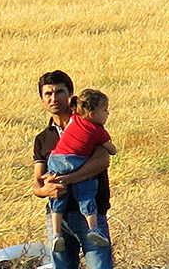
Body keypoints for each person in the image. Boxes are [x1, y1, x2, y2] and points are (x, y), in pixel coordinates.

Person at [32, 71, 131, 269]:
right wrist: (46, 190)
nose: (54, 98)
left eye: (59, 92)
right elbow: (37, 184)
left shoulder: (87, 124)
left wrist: (65, 179)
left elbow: (101, 162)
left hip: (91, 217)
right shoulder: (43, 139)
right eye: (48, 93)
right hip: (59, 218)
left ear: (71, 95)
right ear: (42, 99)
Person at [47, 89, 117, 252]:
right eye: (105, 110)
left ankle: (56, 234)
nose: (107, 113)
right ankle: (93, 228)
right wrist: (108, 145)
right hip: (75, 162)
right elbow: (112, 150)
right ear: (92, 114)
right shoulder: (98, 131)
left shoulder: (75, 118)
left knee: (58, 199)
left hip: (56, 159)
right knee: (86, 193)